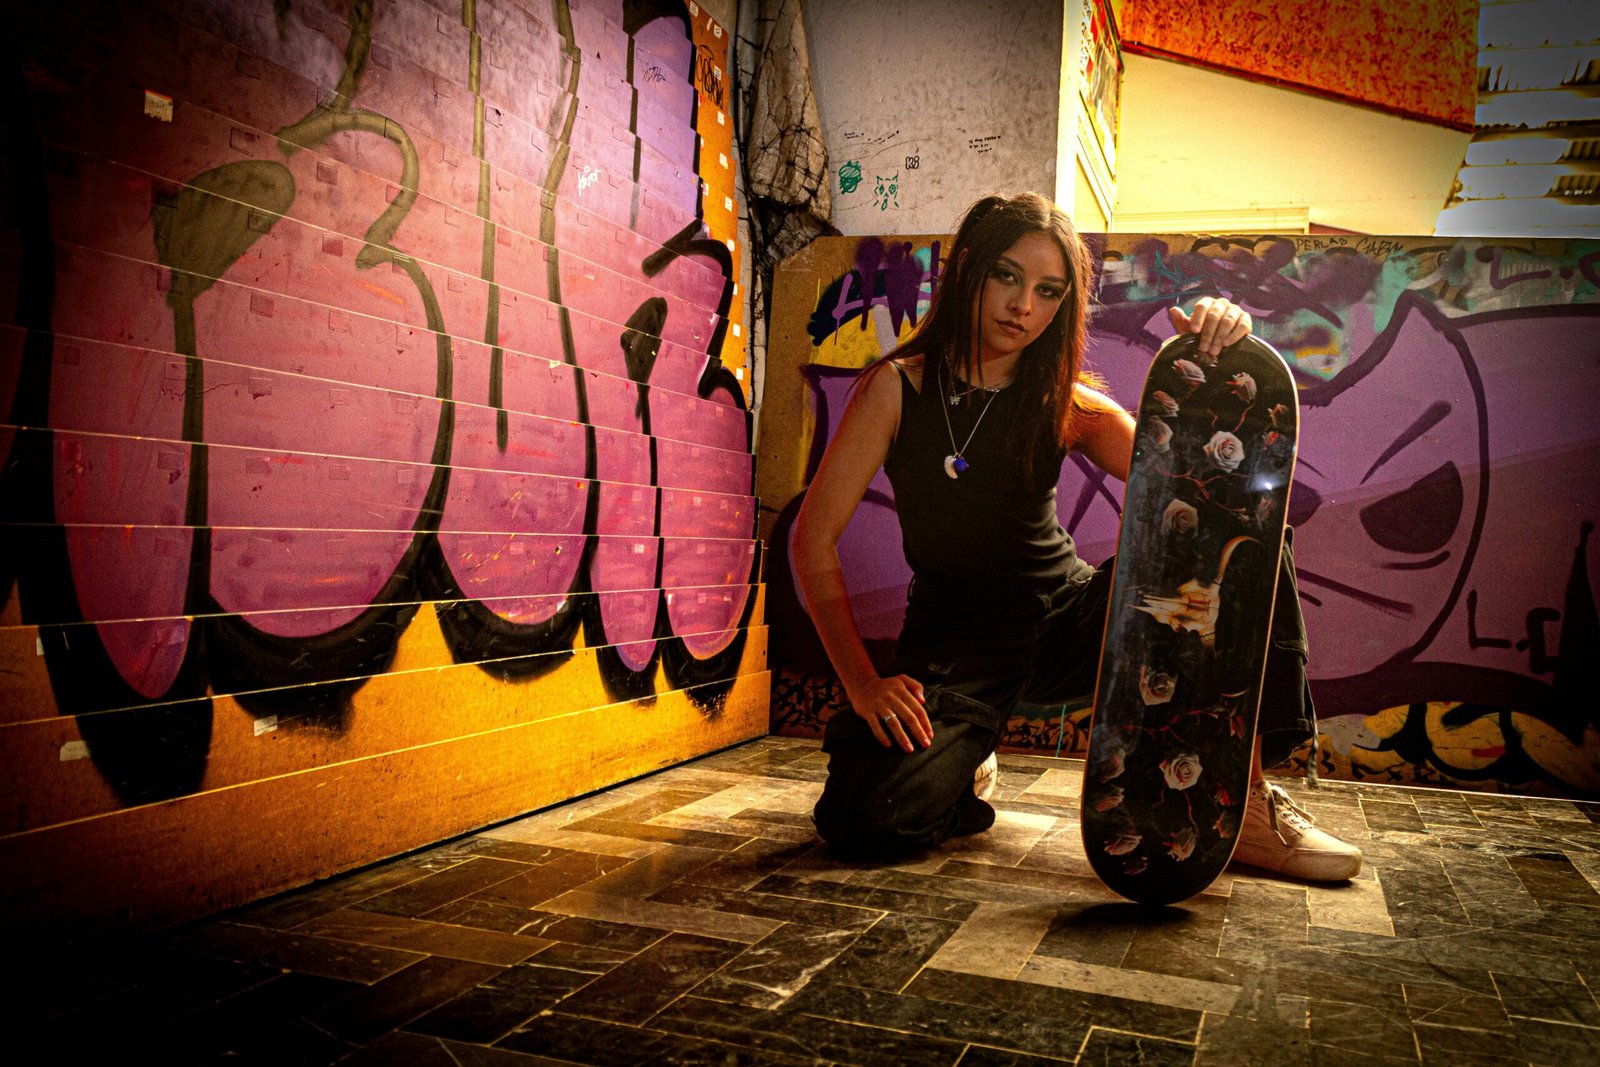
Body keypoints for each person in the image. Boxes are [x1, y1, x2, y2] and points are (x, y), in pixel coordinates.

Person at [792, 192, 1361, 883]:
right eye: (1007, 276)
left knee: (1247, 539)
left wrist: (1214, 352)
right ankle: (961, 762)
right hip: (956, 653)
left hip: (1070, 625)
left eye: (1047, 291)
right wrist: (863, 684)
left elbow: (1199, 492)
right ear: (967, 268)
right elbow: (812, 540)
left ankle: (1246, 801)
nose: (1022, 306)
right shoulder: (895, 389)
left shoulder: (1062, 400)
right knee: (863, 819)